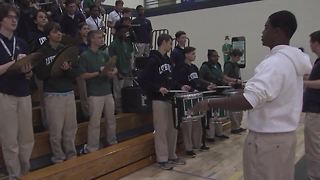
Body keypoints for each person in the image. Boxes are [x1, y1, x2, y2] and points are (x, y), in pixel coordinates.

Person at [191, 10, 312, 180]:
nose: (262, 32)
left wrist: (210, 103)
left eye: (266, 27)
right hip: (283, 139)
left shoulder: (275, 63)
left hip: (268, 143)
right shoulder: (292, 60)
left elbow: (249, 100)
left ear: (278, 31)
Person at [138, 34, 190, 170]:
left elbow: (171, 80)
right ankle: (162, 159)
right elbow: (142, 79)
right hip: (158, 99)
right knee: (161, 130)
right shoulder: (153, 60)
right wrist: (157, 88)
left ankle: (172, 155)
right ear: (164, 42)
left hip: (169, 99)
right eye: (170, 43)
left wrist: (180, 86)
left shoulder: (167, 59)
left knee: (172, 129)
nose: (171, 46)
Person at [34, 22, 78, 164]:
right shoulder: (42, 52)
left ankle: (71, 156)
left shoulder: (66, 50)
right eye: (55, 32)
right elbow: (40, 75)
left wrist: (67, 70)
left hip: (68, 92)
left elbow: (74, 75)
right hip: (53, 94)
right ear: (48, 35)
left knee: (70, 129)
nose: (59, 34)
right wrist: (55, 67)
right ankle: (58, 158)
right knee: (55, 130)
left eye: (60, 31)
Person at [0, 3, 34, 179]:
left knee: (27, 137)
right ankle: (14, 174)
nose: (14, 20)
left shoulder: (21, 42)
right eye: (10, 17)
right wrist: (14, 63)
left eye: (16, 17)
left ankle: (25, 171)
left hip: (24, 92)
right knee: (10, 139)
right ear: (1, 19)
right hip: (5, 94)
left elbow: (29, 75)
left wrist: (27, 69)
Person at [78, 30, 118, 152]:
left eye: (102, 37)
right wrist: (98, 72)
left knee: (111, 119)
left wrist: (112, 72)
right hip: (94, 93)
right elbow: (83, 75)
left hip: (107, 91)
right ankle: (92, 147)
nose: (101, 39)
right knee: (94, 122)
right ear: (92, 40)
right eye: (99, 37)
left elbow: (113, 67)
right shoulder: (85, 56)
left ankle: (112, 142)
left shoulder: (104, 54)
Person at [174, 46, 215, 157]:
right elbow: (179, 82)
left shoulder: (194, 67)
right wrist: (190, 89)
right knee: (188, 123)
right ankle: (188, 148)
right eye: (193, 54)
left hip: (196, 97)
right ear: (186, 55)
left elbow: (198, 81)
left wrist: (207, 86)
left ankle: (198, 144)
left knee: (198, 121)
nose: (194, 55)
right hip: (186, 99)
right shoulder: (180, 68)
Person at [302, 30, 320, 180]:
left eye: (311, 42)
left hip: (316, 112)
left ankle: (314, 176)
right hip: (315, 110)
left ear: (316, 43)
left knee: (314, 148)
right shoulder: (318, 61)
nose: (310, 45)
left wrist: (303, 82)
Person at [108, 24, 134, 113]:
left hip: (128, 72)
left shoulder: (127, 43)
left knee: (128, 92)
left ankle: (128, 108)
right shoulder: (113, 45)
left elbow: (130, 57)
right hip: (118, 73)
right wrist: (118, 72)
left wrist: (131, 70)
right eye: (123, 32)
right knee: (118, 94)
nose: (125, 33)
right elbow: (112, 60)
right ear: (118, 33)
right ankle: (118, 110)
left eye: (126, 32)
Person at [223, 48, 246, 134]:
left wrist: (241, 83)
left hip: (238, 88)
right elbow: (224, 77)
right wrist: (235, 81)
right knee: (234, 110)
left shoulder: (236, 65)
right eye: (237, 57)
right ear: (233, 56)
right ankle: (234, 127)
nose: (239, 58)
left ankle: (238, 126)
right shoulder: (228, 65)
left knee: (240, 109)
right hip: (231, 89)